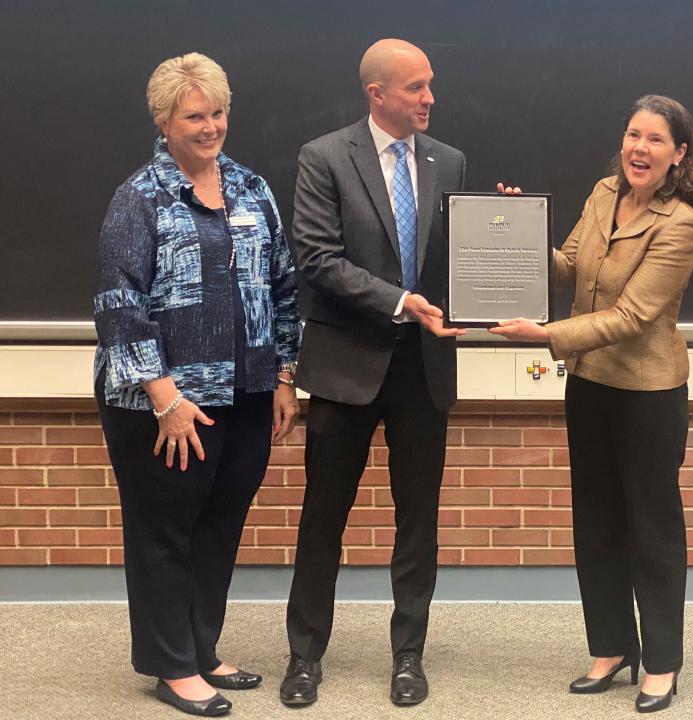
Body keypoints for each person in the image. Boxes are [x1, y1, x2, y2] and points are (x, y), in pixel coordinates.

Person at [491, 95, 693, 713]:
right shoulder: (600, 194)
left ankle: (662, 662)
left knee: (653, 530)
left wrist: (546, 338)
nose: (638, 148)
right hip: (589, 383)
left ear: (679, 154)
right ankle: (613, 647)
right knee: (595, 522)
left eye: (654, 140)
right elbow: (566, 268)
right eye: (631, 134)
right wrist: (517, 233)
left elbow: (633, 315)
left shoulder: (681, 224)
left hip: (648, 393)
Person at [94, 52, 300, 717]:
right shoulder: (140, 197)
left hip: (244, 394)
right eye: (194, 116)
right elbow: (118, 305)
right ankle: (172, 667)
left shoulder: (251, 188)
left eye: (218, 113)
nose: (210, 127)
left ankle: (201, 648)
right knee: (165, 530)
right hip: (163, 405)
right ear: (163, 121)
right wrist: (165, 398)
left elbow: (283, 287)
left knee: (218, 526)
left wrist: (284, 375)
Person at [281, 39, 466, 708]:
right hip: (344, 368)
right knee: (322, 518)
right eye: (416, 87)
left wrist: (503, 229)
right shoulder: (324, 158)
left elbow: (454, 265)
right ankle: (304, 658)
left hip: (423, 370)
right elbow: (317, 260)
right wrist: (398, 301)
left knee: (419, 522)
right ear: (377, 93)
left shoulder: (450, 161)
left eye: (430, 86)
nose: (429, 99)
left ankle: (409, 657)